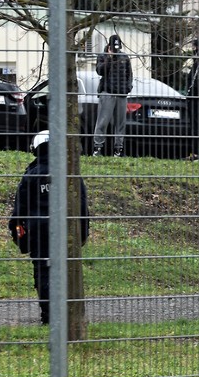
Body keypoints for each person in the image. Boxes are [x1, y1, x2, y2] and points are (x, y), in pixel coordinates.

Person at [9, 131, 90, 325]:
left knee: (43, 270)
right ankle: (70, 313)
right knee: (67, 269)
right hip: (66, 229)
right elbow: (82, 206)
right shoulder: (69, 174)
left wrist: (18, 232)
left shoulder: (32, 174)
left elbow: (20, 207)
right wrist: (83, 234)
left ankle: (48, 315)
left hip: (39, 231)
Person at [93, 34, 133, 157]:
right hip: (108, 93)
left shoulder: (124, 57)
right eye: (114, 47)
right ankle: (97, 149)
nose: (116, 49)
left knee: (120, 123)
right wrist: (109, 59)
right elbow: (100, 71)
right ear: (109, 46)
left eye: (118, 47)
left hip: (121, 94)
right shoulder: (102, 56)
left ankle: (118, 150)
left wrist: (128, 87)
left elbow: (129, 74)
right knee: (102, 122)